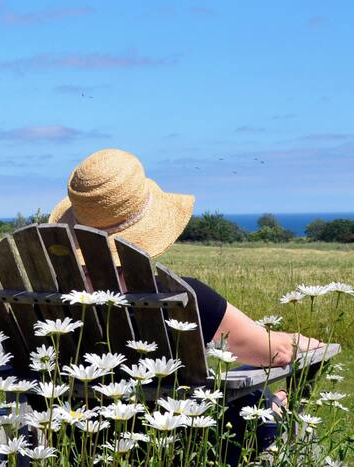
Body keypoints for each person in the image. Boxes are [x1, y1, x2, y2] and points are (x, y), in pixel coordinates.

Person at [48, 148, 323, 462]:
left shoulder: (51, 301)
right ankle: (275, 406)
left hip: (85, 442)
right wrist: (297, 342)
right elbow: (274, 352)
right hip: (188, 443)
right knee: (269, 400)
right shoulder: (181, 296)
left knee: (250, 385)